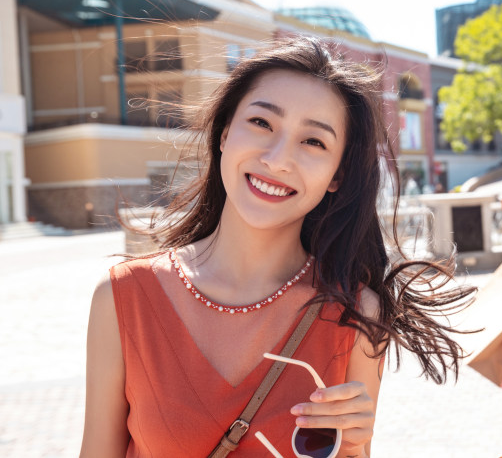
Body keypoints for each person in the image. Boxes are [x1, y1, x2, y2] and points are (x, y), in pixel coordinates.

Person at [79, 36, 473, 458]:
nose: (278, 158)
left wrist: (356, 448)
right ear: (225, 133)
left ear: (336, 176)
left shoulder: (357, 316)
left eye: (314, 142)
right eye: (262, 123)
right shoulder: (123, 298)